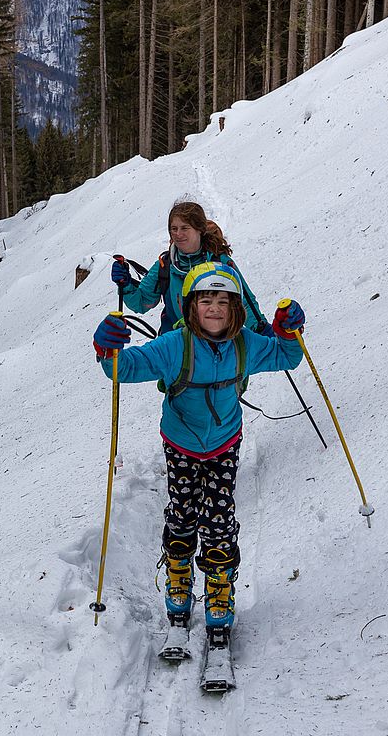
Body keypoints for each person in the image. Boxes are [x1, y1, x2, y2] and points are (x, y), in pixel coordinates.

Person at [92, 262, 306, 642]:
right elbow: (126, 368)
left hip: (224, 443)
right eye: (206, 299)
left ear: (236, 307)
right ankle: (179, 578)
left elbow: (285, 357)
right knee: (184, 510)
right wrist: (106, 348)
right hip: (180, 445)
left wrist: (288, 332)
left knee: (219, 516)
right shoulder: (176, 345)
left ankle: (219, 590)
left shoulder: (245, 344)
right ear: (191, 305)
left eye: (224, 300)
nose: (215, 308)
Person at [111, 199, 270, 336]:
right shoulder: (165, 264)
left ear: (199, 229)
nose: (178, 234)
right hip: (177, 348)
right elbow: (142, 302)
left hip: (219, 343)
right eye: (174, 229)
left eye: (184, 228)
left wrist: (260, 328)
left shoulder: (220, 262)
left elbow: (244, 302)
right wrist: (126, 285)